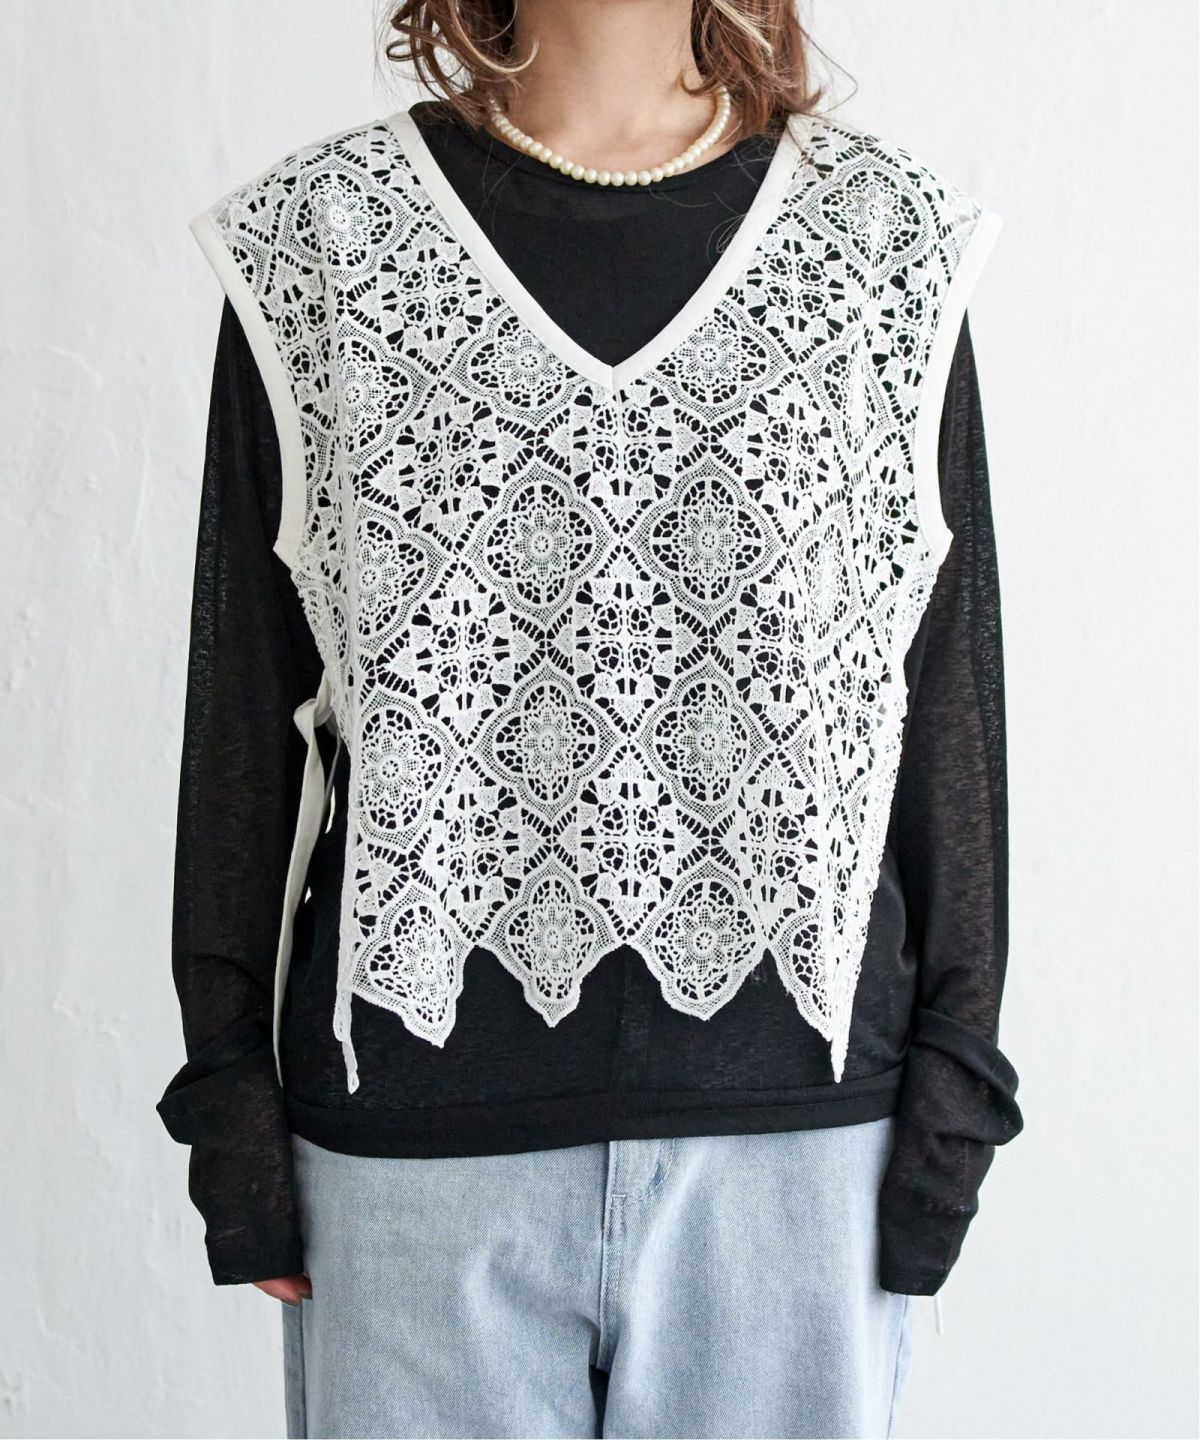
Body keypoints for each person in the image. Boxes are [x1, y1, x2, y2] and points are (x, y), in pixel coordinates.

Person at [158, 2, 1024, 1435]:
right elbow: (248, 714)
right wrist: (231, 1109)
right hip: (413, 1164)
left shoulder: (884, 245)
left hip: (797, 1160)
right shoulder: (327, 243)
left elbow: (941, 707)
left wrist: (955, 1101)